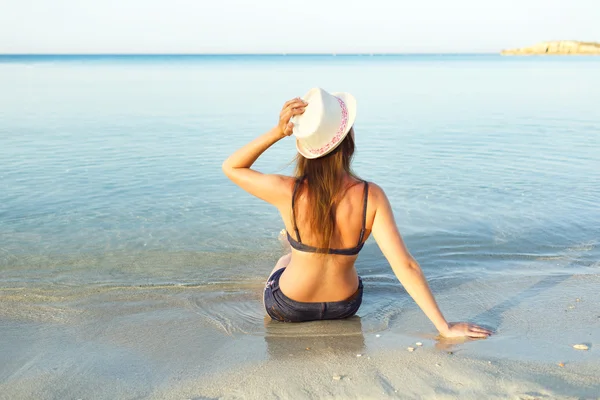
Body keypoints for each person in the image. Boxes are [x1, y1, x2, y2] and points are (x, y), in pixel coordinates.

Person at [222, 88, 492, 338]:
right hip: (345, 306)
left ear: (306, 146)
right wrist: (443, 327)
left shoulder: (288, 190)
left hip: (289, 308)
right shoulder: (370, 195)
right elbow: (405, 266)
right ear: (347, 140)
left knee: (285, 258)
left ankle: (292, 246)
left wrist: (278, 132)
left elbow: (232, 167)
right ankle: (296, 245)